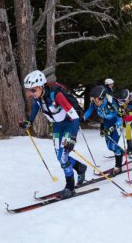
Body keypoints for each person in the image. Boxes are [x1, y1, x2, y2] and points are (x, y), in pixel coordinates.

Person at [20, 70, 87, 198]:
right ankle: (80, 168)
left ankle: (70, 187)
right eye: (28, 90)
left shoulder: (56, 96)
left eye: (33, 90)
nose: (30, 93)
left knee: (63, 158)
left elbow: (75, 117)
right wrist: (29, 122)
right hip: (57, 126)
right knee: (60, 156)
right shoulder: (38, 97)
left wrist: (73, 139)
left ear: (41, 86)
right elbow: (36, 107)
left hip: (69, 124)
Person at [83, 85, 123, 177]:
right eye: (93, 99)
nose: (94, 101)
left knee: (113, 146)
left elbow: (120, 118)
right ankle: (119, 151)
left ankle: (118, 166)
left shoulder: (111, 102)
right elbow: (89, 111)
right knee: (109, 147)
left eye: (96, 99)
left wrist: (112, 128)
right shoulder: (95, 103)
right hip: (106, 124)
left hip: (116, 124)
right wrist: (82, 118)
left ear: (102, 97)